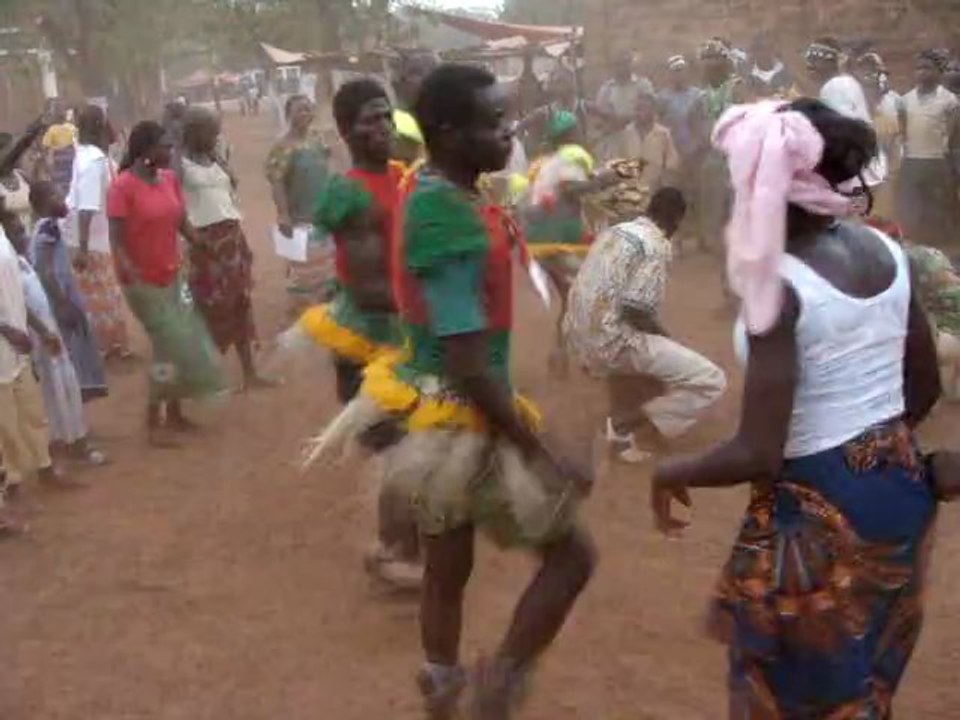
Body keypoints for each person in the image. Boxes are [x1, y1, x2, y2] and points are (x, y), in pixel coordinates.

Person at [304, 64, 595, 718]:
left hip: (444, 408)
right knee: (572, 558)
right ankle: (496, 689)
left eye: (506, 117)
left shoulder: (443, 189)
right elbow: (466, 357)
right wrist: (544, 447)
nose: (507, 132)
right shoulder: (441, 212)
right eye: (492, 123)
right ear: (447, 132)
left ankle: (442, 691)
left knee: (447, 564)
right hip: (462, 415)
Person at [652, 99, 942, 717]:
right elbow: (925, 390)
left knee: (782, 693)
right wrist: (874, 456)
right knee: (865, 674)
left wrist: (670, 472)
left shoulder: (777, 286)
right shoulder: (888, 253)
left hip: (812, 523)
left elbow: (759, 449)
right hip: (899, 493)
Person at [284, 78, 422, 589]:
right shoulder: (347, 193)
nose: (382, 127)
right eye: (369, 120)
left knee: (411, 445)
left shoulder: (403, 177)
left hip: (406, 332)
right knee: (400, 448)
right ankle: (395, 551)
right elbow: (367, 287)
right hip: (368, 341)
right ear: (345, 131)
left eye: (386, 116)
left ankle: (397, 547)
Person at [565, 188, 726, 463]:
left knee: (641, 362)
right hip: (610, 341)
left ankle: (619, 439)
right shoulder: (656, 244)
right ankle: (627, 424)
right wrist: (667, 338)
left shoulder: (617, 231)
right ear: (676, 219)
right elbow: (636, 309)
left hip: (578, 335)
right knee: (711, 381)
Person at [107, 121, 224, 447]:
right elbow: (116, 239)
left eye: (171, 146)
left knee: (176, 343)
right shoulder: (122, 187)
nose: (170, 152)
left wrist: (204, 246)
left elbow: (182, 223)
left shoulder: (169, 179)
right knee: (166, 346)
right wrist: (131, 271)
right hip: (142, 283)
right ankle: (152, 421)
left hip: (173, 275)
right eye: (164, 146)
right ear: (145, 150)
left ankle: (173, 413)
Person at [7, 207, 105, 466]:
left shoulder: (22, 261)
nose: (23, 236)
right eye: (17, 232)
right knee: (52, 395)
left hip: (49, 334)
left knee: (67, 386)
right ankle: (62, 448)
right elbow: (22, 307)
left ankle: (76, 440)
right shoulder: (12, 268)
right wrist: (43, 331)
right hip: (38, 339)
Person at [178, 107, 268, 390]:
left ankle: (250, 374)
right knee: (211, 307)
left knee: (240, 302)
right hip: (203, 242)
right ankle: (208, 377)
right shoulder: (178, 164)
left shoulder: (214, 157)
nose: (216, 137)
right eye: (211, 132)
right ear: (193, 133)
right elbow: (174, 207)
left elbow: (230, 192)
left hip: (231, 237)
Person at [524, 110, 618, 375]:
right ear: (569, 135)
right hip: (558, 242)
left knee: (573, 296)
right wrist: (604, 179)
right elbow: (572, 188)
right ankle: (590, 357)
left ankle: (561, 352)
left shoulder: (548, 161)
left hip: (539, 244)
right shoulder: (569, 159)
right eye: (577, 130)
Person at [0, 199, 72, 511]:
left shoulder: (4, 237)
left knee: (32, 414)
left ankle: (44, 469)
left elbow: (14, 294)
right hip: (6, 346)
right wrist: (8, 330)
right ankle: (11, 486)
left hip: (16, 349)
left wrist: (41, 329)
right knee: (6, 427)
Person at [30, 181, 107, 402]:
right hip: (57, 299)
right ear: (44, 203)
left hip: (60, 295)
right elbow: (44, 270)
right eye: (56, 195)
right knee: (69, 354)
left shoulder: (47, 226)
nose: (63, 199)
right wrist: (63, 304)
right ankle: (71, 410)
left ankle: (74, 408)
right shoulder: (47, 227)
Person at [66, 104, 132, 360]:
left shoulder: (89, 154)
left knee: (102, 295)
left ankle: (111, 347)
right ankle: (111, 349)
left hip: (92, 236)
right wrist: (83, 250)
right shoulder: (93, 161)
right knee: (104, 295)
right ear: (100, 126)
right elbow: (87, 207)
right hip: (90, 239)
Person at [266, 94, 334, 315]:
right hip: (299, 220)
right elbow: (277, 182)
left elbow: (327, 166)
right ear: (288, 115)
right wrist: (283, 214)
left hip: (324, 216)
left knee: (329, 273)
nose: (306, 113)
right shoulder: (282, 147)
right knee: (304, 277)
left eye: (308, 109)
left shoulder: (318, 140)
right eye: (300, 110)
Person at [897, 50, 960, 253]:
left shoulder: (949, 100)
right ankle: (916, 247)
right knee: (913, 207)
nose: (921, 73)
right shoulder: (905, 100)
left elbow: (951, 135)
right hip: (912, 160)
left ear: (939, 72)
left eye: (927, 68)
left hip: (937, 162)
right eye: (918, 68)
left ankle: (941, 250)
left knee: (937, 208)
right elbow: (903, 131)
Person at [805, 37, 887, 188]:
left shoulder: (834, 87)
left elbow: (842, 134)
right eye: (809, 59)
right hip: (865, 169)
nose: (810, 64)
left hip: (855, 174)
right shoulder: (846, 82)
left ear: (832, 63)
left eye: (816, 59)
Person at [694, 38, 744, 255]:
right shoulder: (702, 96)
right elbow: (696, 123)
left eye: (715, 63)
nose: (710, 68)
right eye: (706, 63)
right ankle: (718, 246)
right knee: (713, 201)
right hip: (714, 155)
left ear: (725, 64)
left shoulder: (738, 87)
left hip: (738, 154)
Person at [856, 52, 902, 218]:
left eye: (878, 72)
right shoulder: (852, 105)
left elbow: (895, 147)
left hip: (884, 178)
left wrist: (893, 175)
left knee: (882, 218)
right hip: (858, 178)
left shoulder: (894, 102)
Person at [595, 51, 655, 163]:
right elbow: (599, 117)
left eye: (625, 64)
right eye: (618, 64)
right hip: (613, 142)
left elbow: (649, 113)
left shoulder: (643, 85)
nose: (621, 68)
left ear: (631, 65)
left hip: (639, 139)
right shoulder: (606, 88)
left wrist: (623, 119)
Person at [623, 91, 680, 198]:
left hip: (655, 194)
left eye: (643, 108)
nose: (638, 112)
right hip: (630, 193)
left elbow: (671, 166)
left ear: (652, 110)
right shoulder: (627, 133)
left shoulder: (663, 134)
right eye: (637, 108)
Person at [744, 34, 795, 99]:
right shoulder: (746, 75)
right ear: (754, 51)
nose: (764, 52)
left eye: (768, 47)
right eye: (760, 48)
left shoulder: (787, 72)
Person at [42, 103, 77, 196]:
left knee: (59, 186)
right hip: (71, 159)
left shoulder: (52, 130)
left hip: (58, 161)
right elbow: (76, 144)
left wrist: (48, 165)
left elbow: (47, 147)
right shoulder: (72, 128)